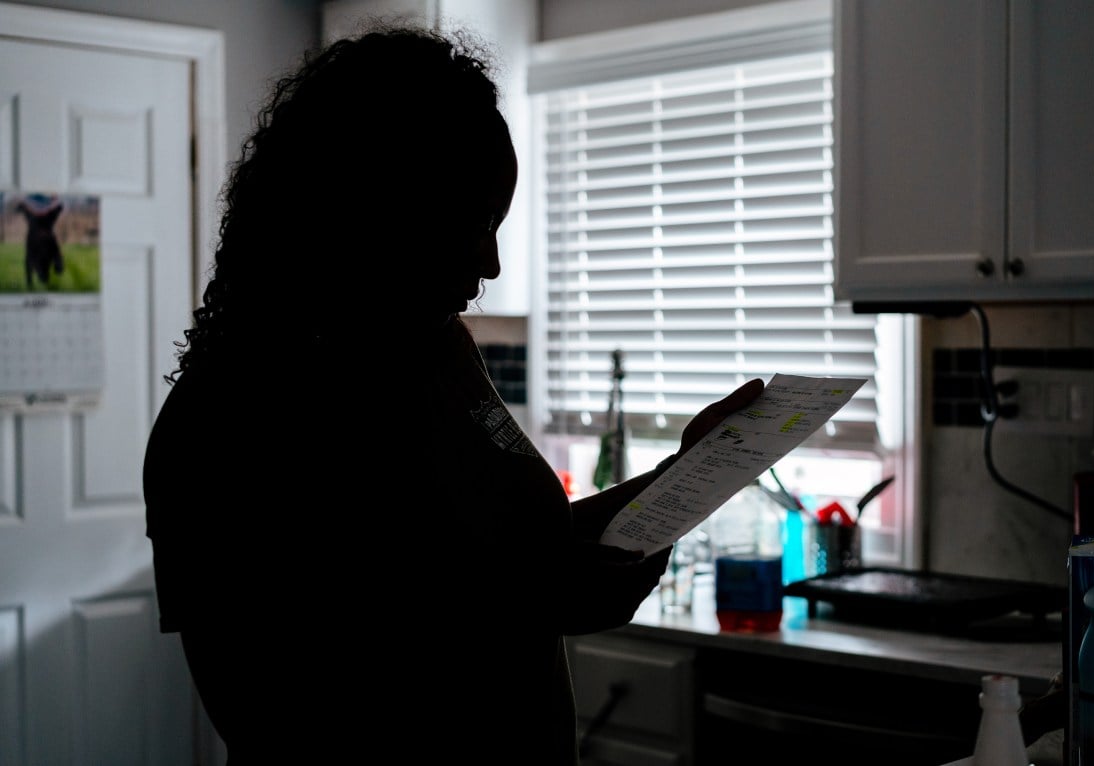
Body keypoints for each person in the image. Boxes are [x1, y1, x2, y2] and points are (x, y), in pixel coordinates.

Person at [142, 18, 765, 765]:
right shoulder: (230, 419)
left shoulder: (438, 350)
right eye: (471, 225)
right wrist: (530, 602)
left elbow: (513, 546)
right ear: (374, 213)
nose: (494, 262)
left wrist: (681, 479)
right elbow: (267, 714)